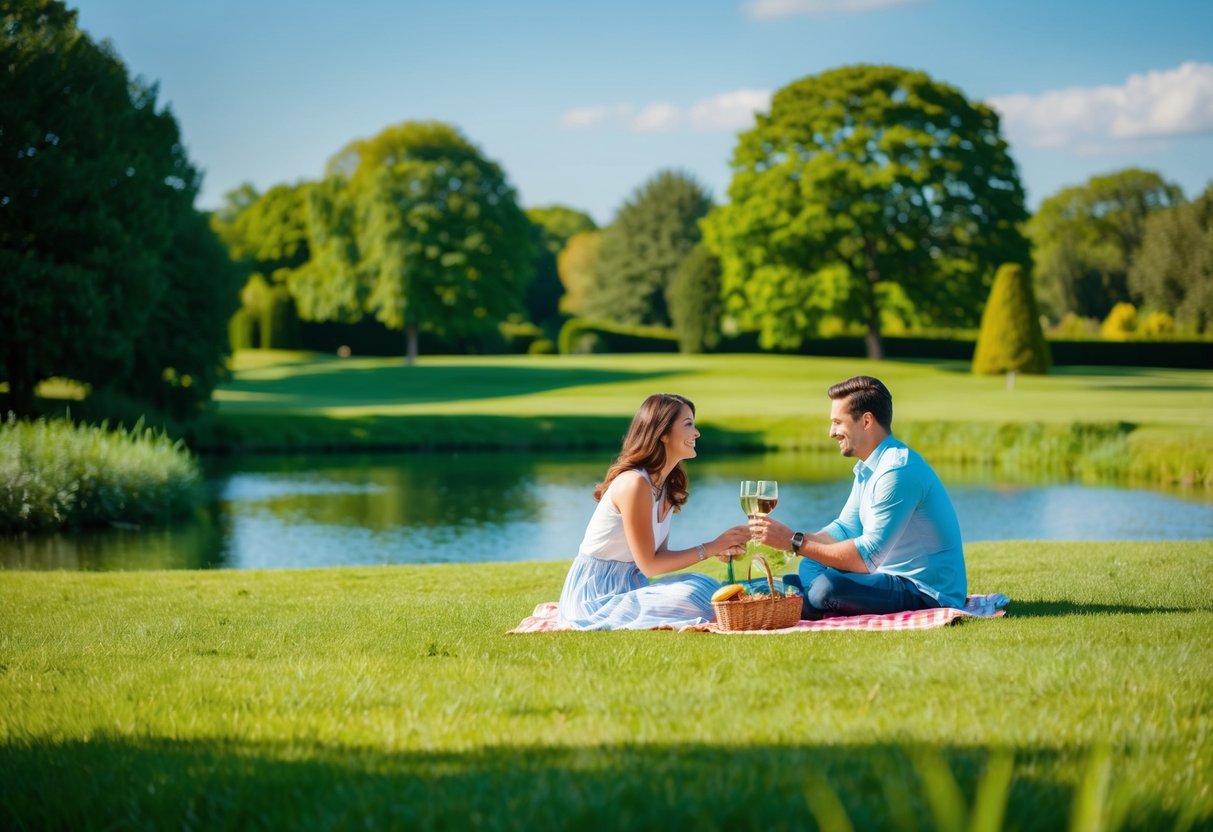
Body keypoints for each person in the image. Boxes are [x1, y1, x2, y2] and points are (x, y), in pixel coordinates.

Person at [750, 376, 967, 618]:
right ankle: (807, 598)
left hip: (924, 591)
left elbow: (866, 558)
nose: (831, 432)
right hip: (884, 577)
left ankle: (805, 598)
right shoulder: (869, 468)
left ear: (866, 421)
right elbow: (844, 529)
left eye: (837, 422)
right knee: (811, 563)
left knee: (827, 587)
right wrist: (793, 540)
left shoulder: (897, 471)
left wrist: (793, 542)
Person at [557, 393, 750, 629]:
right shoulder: (635, 484)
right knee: (695, 594)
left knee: (706, 585)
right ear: (663, 434)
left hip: (631, 586)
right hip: (595, 597)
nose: (697, 432)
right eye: (688, 424)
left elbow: (660, 557)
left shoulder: (667, 486)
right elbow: (649, 565)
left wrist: (719, 547)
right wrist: (710, 548)